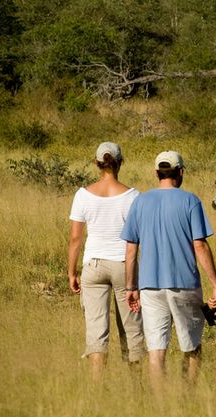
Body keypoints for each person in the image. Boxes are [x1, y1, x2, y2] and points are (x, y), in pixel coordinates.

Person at [121, 151, 216, 388]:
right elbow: (199, 244)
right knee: (192, 345)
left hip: (149, 286)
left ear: (157, 173)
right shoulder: (190, 201)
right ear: (181, 172)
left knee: (156, 349)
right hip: (184, 284)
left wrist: (130, 287)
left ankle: (161, 406)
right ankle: (187, 396)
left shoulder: (140, 201)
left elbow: (130, 249)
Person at [68, 141, 145, 379]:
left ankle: (96, 387)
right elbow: (140, 238)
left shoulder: (82, 195)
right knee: (132, 328)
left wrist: (72, 272)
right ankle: (136, 387)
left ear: (97, 163)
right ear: (120, 162)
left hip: (94, 265)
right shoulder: (134, 196)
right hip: (125, 267)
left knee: (96, 330)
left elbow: (75, 239)